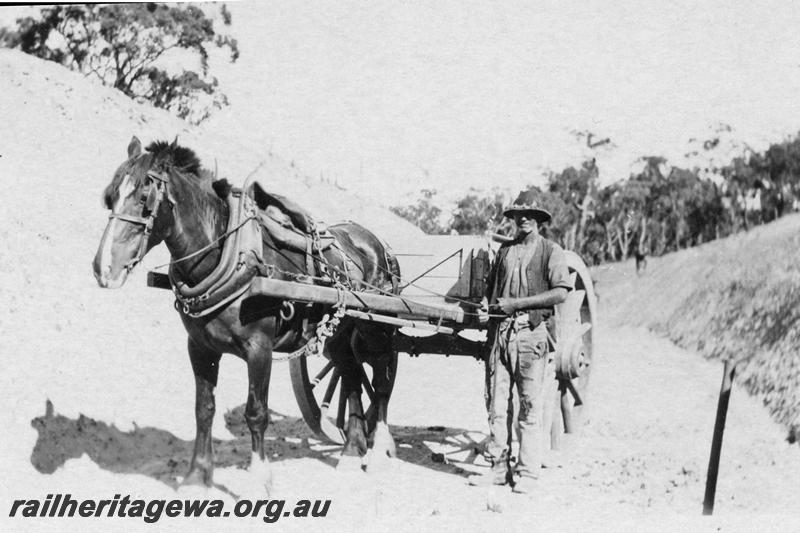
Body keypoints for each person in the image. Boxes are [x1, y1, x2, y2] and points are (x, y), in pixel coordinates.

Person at [469, 193, 572, 494]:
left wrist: (518, 304)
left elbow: (562, 291)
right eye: (518, 214)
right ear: (513, 219)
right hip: (500, 335)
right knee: (497, 405)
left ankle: (528, 472)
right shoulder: (504, 252)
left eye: (530, 214)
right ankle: (498, 468)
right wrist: (485, 308)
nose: (523, 218)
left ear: (539, 219)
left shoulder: (551, 252)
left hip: (531, 335)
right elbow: (490, 293)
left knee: (529, 405)